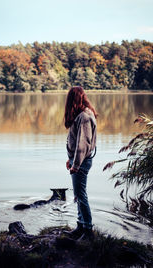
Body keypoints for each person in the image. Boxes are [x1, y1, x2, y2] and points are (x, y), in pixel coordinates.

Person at [64, 86, 97, 240]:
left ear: (73, 99)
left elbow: (83, 144)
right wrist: (70, 159)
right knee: (78, 194)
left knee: (81, 195)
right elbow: (77, 142)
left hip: (81, 162)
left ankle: (88, 230)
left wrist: (75, 165)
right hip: (78, 160)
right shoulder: (82, 114)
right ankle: (80, 226)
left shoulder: (84, 116)